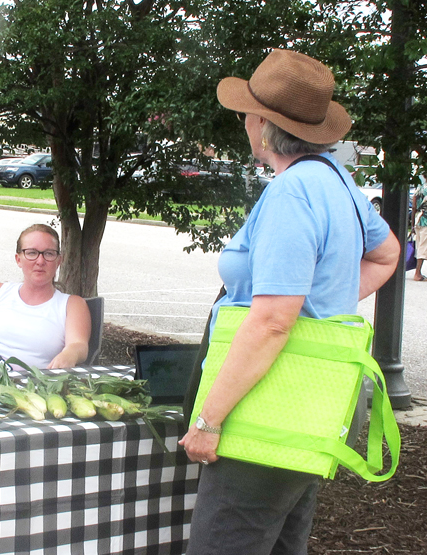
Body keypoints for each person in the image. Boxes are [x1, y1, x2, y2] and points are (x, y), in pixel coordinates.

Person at [178, 50, 399, 554]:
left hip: (261, 413)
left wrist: (209, 420)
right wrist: (324, 305)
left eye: (248, 114)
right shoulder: (338, 182)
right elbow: (386, 255)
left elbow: (274, 320)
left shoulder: (290, 194)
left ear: (263, 125)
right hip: (302, 412)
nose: (245, 123)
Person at [0, 224, 91, 369]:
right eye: (31, 253)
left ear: (58, 261)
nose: (40, 261)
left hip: (31, 387)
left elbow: (78, 345)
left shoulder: (71, 304)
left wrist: (70, 354)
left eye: (49, 253)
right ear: (18, 259)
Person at [411, 178, 427, 281]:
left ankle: (418, 272)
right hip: (426, 220)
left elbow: (413, 206)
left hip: (418, 219)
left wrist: (412, 224)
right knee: (423, 247)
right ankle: (417, 273)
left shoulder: (419, 187)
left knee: (419, 245)